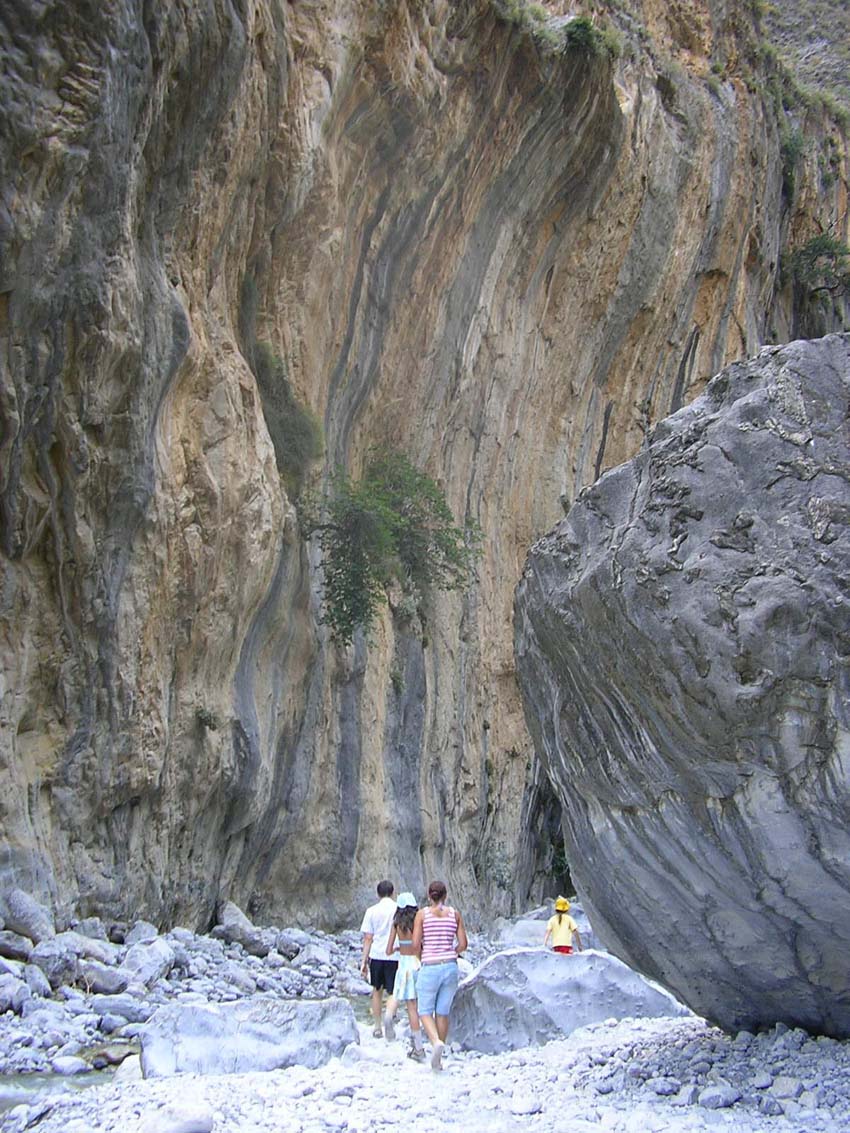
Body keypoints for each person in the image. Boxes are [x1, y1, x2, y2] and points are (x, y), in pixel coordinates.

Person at [412, 879, 468, 1071]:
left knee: (424, 1011)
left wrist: (423, 957)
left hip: (430, 966)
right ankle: (439, 1057)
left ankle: (435, 1042)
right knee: (442, 1011)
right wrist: (452, 951)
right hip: (450, 967)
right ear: (445, 895)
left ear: (429, 896)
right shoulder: (454, 914)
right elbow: (463, 944)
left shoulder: (422, 915)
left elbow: (415, 944)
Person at [383, 892, 425, 1061]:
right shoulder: (418, 922)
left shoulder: (396, 924)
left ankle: (389, 1015)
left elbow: (388, 950)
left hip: (404, 965)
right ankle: (419, 1046)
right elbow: (419, 947)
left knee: (400, 997)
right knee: (418, 1006)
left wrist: (398, 949)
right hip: (417, 964)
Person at [359, 880, 398, 1037]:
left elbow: (368, 938)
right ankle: (389, 1016)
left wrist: (364, 961)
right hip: (395, 955)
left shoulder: (371, 911)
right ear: (393, 893)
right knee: (394, 991)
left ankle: (377, 1027)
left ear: (378, 894)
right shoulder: (398, 909)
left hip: (376, 955)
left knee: (376, 991)